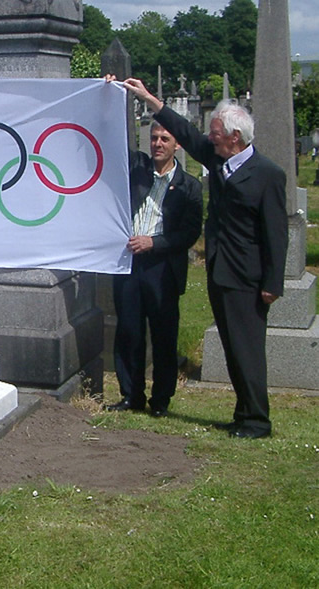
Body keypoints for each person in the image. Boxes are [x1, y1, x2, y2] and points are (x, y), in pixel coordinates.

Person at [122, 77, 288, 439]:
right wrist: (150, 98)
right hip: (221, 273)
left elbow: (276, 234)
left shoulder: (267, 175)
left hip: (248, 278)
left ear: (235, 137)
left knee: (247, 350)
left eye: (215, 133)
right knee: (233, 349)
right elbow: (186, 130)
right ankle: (243, 414)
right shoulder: (219, 160)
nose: (209, 138)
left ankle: (257, 420)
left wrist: (272, 284)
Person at [107, 118, 203, 417]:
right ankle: (131, 395)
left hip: (162, 269)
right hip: (129, 265)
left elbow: (189, 233)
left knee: (163, 336)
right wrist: (113, 94)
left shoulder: (190, 187)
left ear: (177, 145)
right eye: (154, 138)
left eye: (165, 139)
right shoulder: (136, 169)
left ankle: (161, 400)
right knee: (129, 332)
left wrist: (155, 243)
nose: (158, 144)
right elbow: (113, 137)